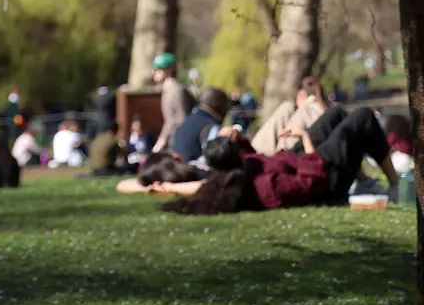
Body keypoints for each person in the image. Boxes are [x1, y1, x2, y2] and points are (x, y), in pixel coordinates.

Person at [160, 108, 399, 214]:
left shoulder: (242, 168)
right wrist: (305, 138)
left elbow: (258, 158)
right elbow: (314, 179)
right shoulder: (267, 187)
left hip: (295, 159)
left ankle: (364, 181)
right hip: (325, 176)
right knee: (363, 117)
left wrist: (241, 140)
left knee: (335, 114)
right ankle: (396, 185)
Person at [250, 77, 327, 155]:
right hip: (290, 154)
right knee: (288, 107)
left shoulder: (306, 111)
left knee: (287, 107)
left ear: (301, 94)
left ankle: (254, 154)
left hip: (285, 156)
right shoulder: (322, 112)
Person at [171, 87, 232, 163]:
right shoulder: (211, 126)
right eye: (225, 105)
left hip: (176, 169)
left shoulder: (186, 121)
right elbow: (214, 159)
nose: (227, 110)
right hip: (193, 172)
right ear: (216, 105)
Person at [152, 54, 188, 153]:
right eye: (155, 69)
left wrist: (162, 140)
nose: (155, 72)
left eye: (159, 69)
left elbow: (179, 118)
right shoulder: (166, 89)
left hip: (176, 139)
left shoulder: (175, 89)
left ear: (169, 69)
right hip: (170, 139)